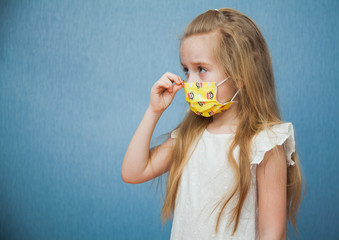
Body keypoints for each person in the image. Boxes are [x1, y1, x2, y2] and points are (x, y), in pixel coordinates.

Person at [121, 8, 305, 240]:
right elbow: (133, 172)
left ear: (240, 74)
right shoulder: (189, 135)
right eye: (186, 70)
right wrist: (153, 110)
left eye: (201, 69)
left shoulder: (265, 143)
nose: (190, 82)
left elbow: (273, 233)